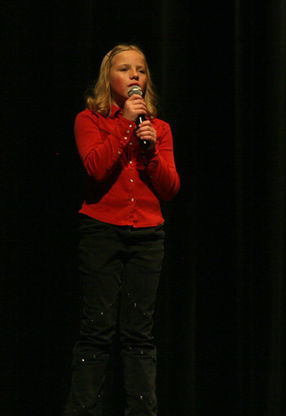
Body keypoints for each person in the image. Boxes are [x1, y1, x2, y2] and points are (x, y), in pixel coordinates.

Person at [64, 44, 180, 416]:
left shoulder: (159, 129)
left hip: (148, 235)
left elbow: (170, 188)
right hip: (101, 231)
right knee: (97, 331)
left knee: (139, 336)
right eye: (125, 69)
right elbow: (96, 169)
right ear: (108, 79)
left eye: (141, 70)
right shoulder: (90, 121)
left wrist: (149, 151)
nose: (135, 76)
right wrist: (125, 127)